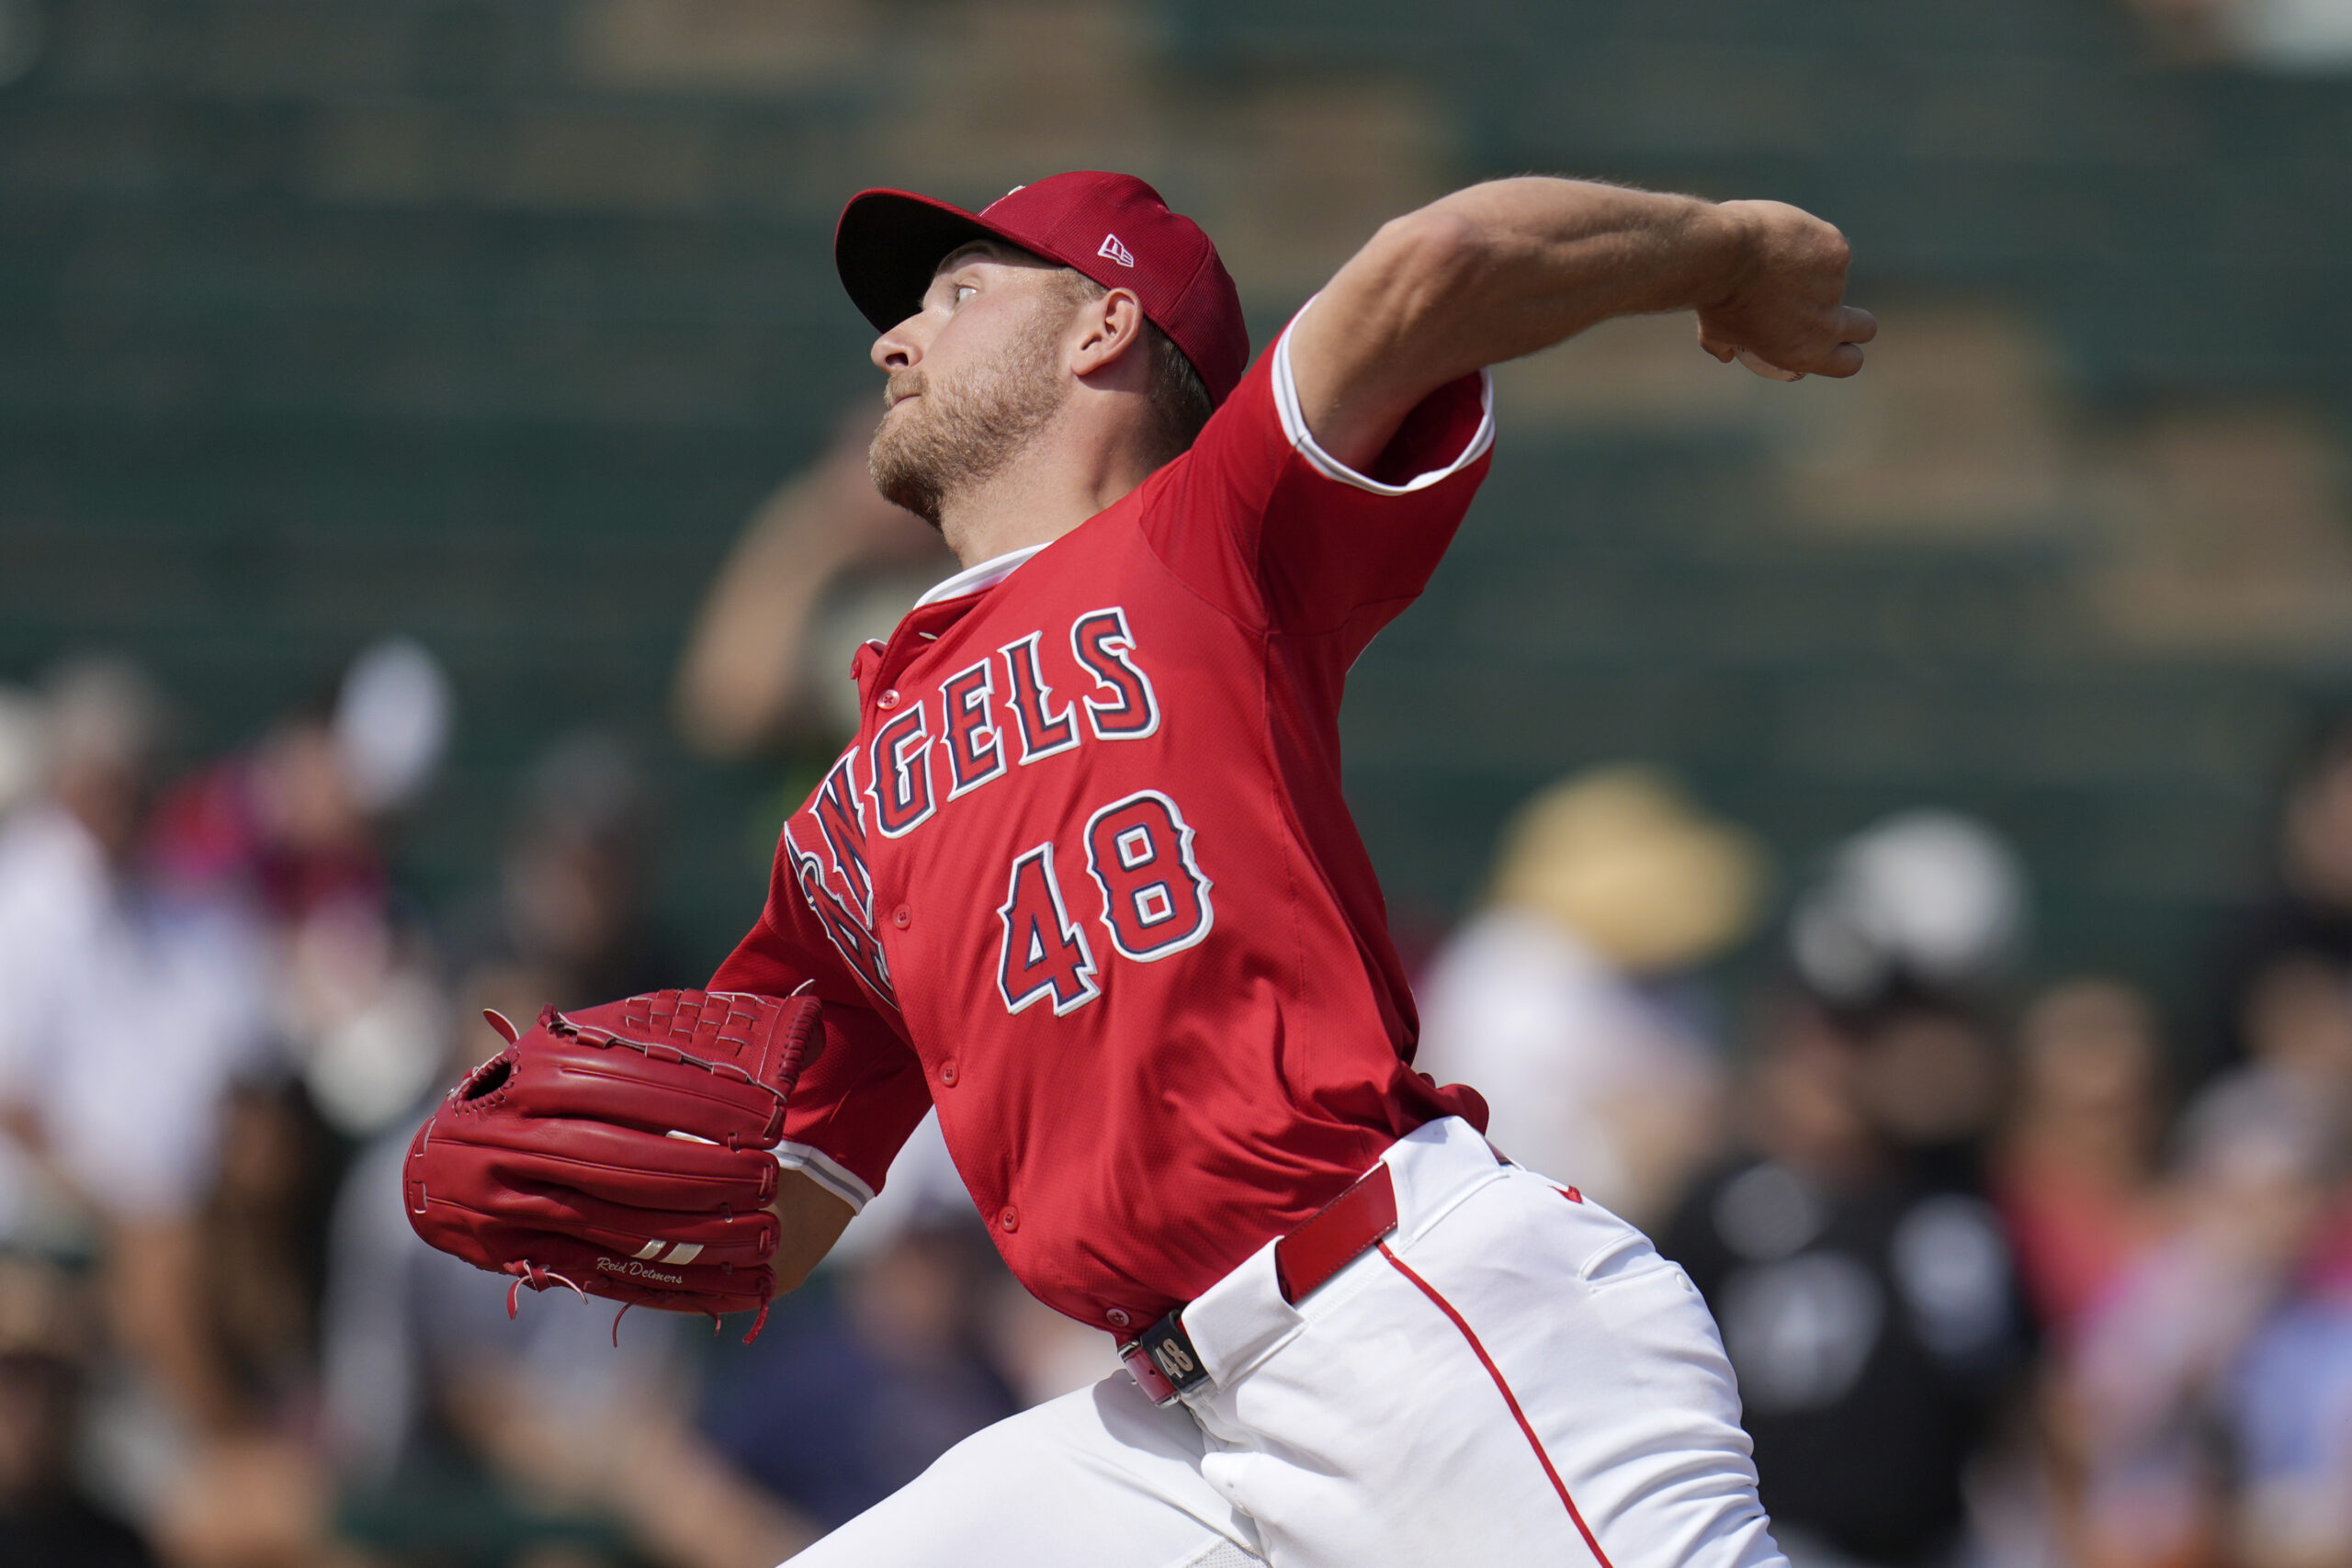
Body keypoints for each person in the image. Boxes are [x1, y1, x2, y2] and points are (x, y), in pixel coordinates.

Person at [671, 167, 1875, 1567]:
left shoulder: (1207, 534)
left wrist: (1725, 255)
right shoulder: (855, 797)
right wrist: (621, 1216)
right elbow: (781, 1206)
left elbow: (1444, 259)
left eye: (956, 294)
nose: (894, 341)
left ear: (1101, 328)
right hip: (1168, 1424)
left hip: (1409, 1326)